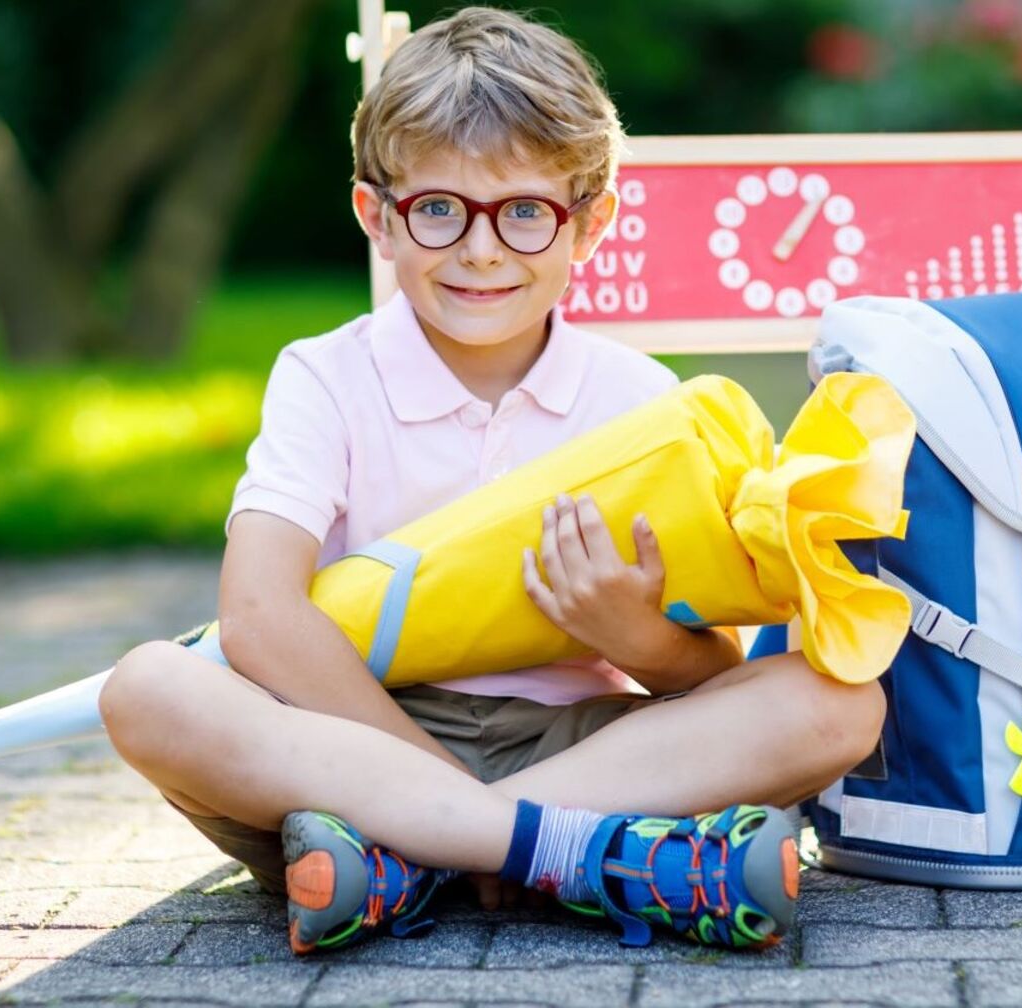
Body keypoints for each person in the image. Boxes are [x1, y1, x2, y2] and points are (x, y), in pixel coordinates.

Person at [97, 5, 885, 955]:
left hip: (583, 751)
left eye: (523, 213)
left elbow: (710, 674)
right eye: (439, 209)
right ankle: (599, 864)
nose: (481, 251)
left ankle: (400, 867)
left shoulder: (639, 401)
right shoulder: (325, 375)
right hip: (351, 737)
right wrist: (429, 781)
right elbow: (260, 615)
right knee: (146, 689)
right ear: (377, 217)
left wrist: (633, 634)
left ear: (588, 225)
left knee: (842, 701)